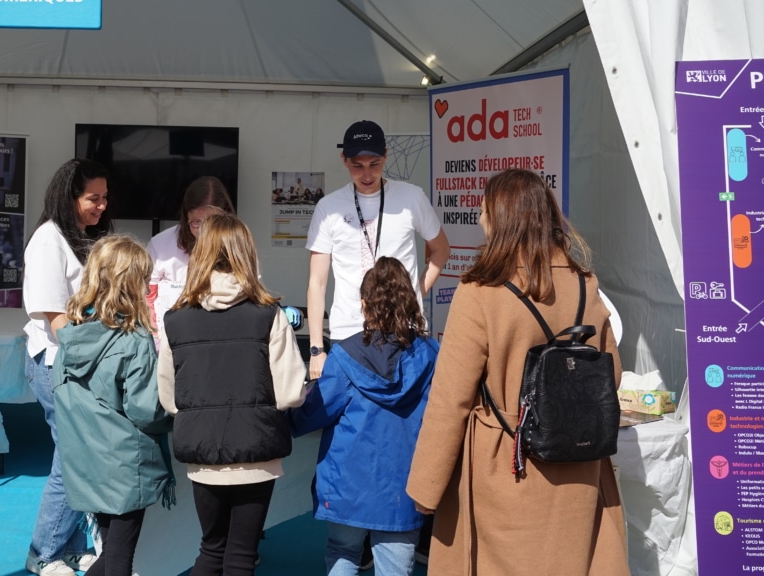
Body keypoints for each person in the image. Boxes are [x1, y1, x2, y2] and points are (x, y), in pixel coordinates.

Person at [405, 169, 629, 575]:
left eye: (483, 210)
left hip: (508, 466)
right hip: (579, 467)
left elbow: (450, 400)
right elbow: (610, 375)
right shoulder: (585, 284)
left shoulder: (480, 293)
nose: (479, 219)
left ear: (500, 218)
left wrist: (426, 487)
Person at [157, 213, 306, 576]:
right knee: (241, 555)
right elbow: (290, 393)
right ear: (246, 254)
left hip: (203, 450)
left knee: (211, 550)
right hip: (257, 449)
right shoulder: (270, 315)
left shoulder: (175, 319)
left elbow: (170, 399)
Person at [289, 256, 438, 576]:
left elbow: (312, 413)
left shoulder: (345, 356)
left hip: (347, 486)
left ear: (364, 304)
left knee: (343, 553)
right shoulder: (430, 354)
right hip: (403, 488)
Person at [53, 234, 173, 576]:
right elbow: (146, 410)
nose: (148, 287)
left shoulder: (70, 334)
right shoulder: (134, 338)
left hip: (85, 460)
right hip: (125, 465)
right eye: (145, 279)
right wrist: (175, 408)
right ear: (131, 284)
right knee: (119, 559)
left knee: (110, 554)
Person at [305, 119, 450, 380]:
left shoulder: (412, 197)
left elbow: (441, 250)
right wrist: (316, 349)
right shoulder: (328, 207)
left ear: (386, 155)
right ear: (343, 159)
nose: (367, 174)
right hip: (348, 331)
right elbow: (317, 282)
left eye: (374, 164)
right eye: (357, 166)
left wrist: (416, 293)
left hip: (404, 328)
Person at [23, 158, 112, 576]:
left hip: (74, 365)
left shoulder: (76, 237)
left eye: (105, 197)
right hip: (58, 365)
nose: (102, 206)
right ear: (69, 196)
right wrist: (98, 353)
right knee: (73, 460)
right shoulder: (48, 240)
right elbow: (56, 319)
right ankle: (43, 552)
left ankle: (70, 547)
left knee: (78, 459)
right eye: (94, 198)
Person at [146, 175, 235, 348]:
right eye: (196, 223)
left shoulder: (237, 247)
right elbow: (147, 296)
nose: (204, 231)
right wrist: (155, 335)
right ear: (186, 217)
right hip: (168, 342)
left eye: (212, 222)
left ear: (226, 216)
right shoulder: (161, 245)